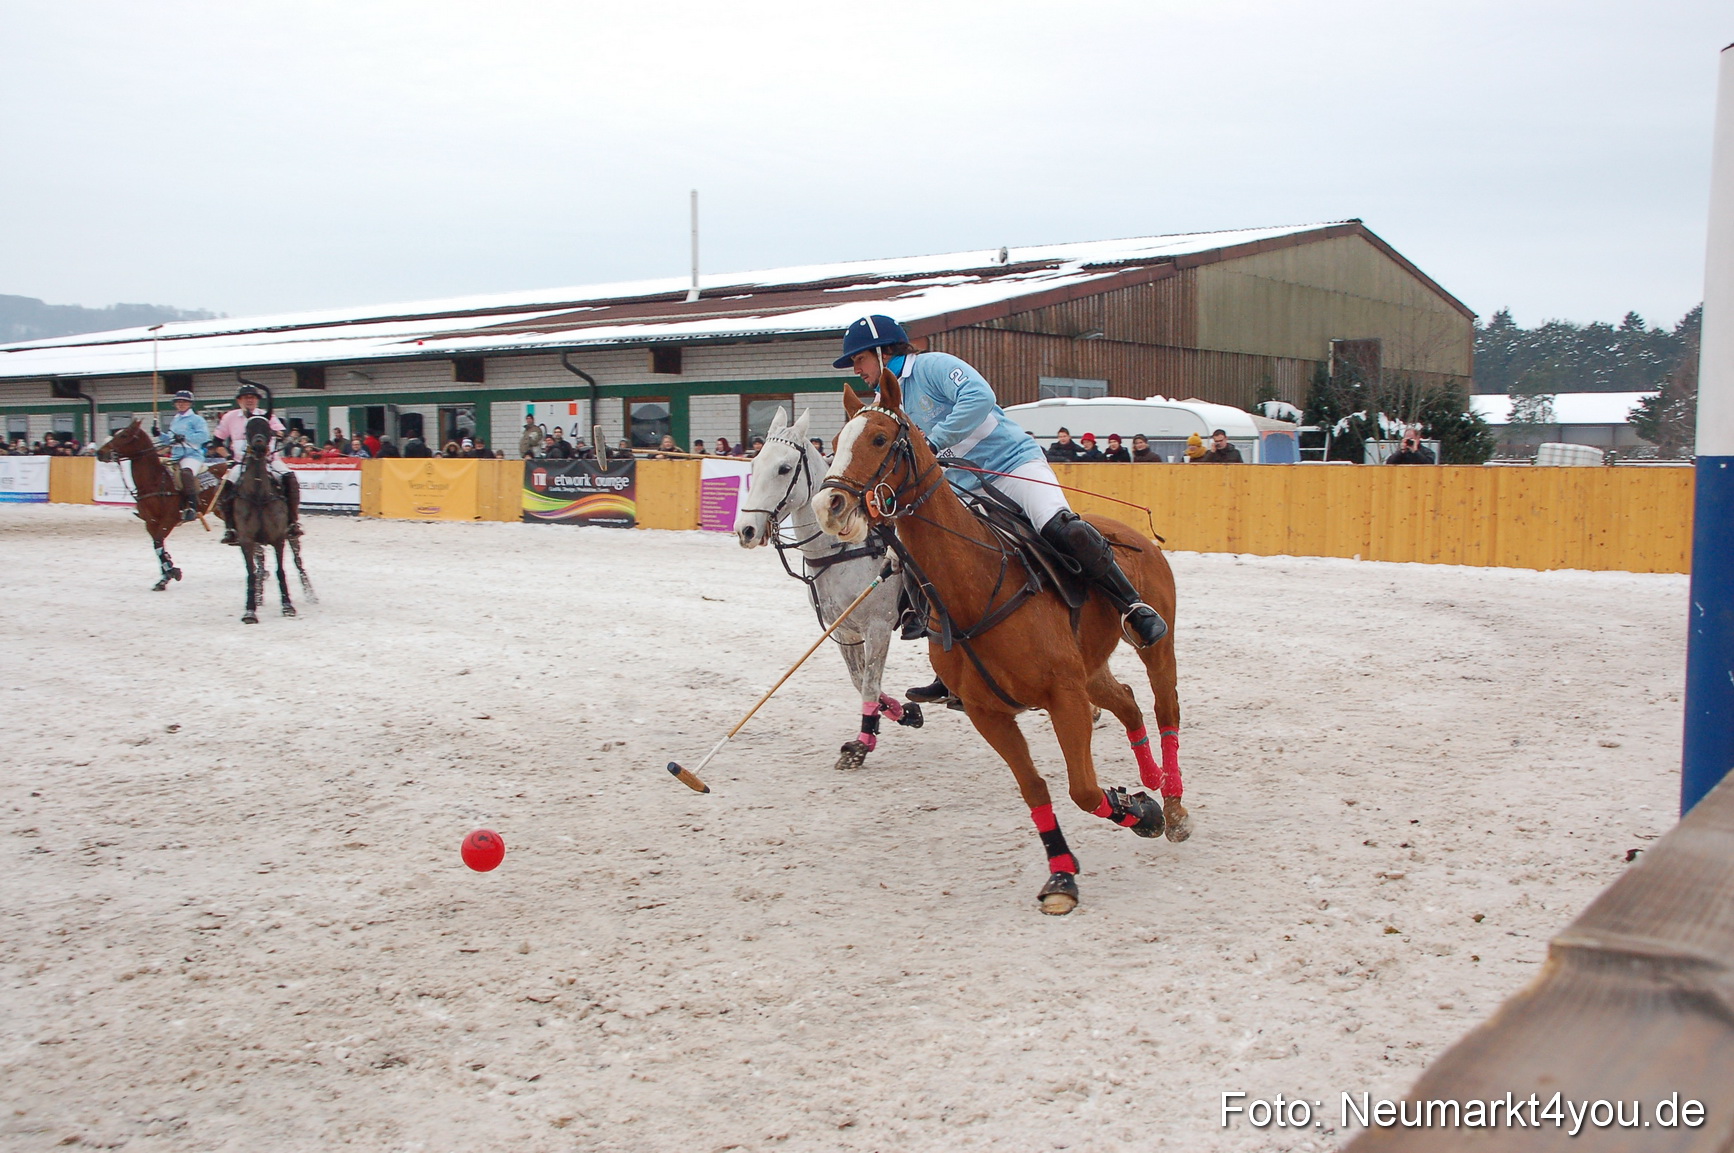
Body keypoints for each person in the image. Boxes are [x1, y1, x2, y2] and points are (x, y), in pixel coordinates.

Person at [834, 314, 1168, 704]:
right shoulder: (884, 404)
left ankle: (1133, 607)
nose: (856, 369)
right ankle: (949, 662)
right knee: (933, 552)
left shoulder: (931, 366)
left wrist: (934, 441)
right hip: (962, 483)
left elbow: (980, 398)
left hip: (1012, 464)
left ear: (882, 351)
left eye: (859, 359)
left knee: (1060, 526)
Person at [212, 383, 301, 543]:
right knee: (225, 488)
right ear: (239, 400)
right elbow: (217, 442)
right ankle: (230, 528)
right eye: (246, 397)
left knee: (290, 478)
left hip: (269, 460)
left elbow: (281, 432)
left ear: (257, 400)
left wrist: (273, 432)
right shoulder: (230, 417)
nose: (250, 400)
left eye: (253, 397)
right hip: (242, 462)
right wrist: (228, 457)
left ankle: (292, 522)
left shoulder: (266, 415)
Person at [154, 390, 212, 520]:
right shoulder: (176, 419)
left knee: (186, 473)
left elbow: (204, 436)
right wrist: (160, 435)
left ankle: (192, 507)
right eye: (178, 402)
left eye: (184, 402)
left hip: (192, 455)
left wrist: (185, 437)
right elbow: (170, 439)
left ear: (190, 404)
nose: (181, 404)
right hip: (176, 455)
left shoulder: (197, 419)